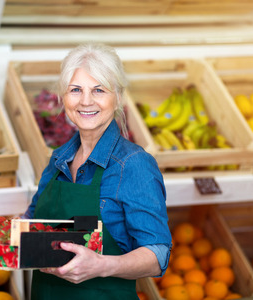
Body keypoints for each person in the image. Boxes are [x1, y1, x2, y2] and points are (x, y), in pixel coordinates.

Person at [22, 43, 172, 299]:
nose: (86, 101)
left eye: (99, 90)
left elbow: (157, 255)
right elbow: (32, 226)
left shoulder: (133, 164)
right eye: (76, 90)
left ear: (118, 97)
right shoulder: (58, 159)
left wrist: (102, 265)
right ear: (63, 96)